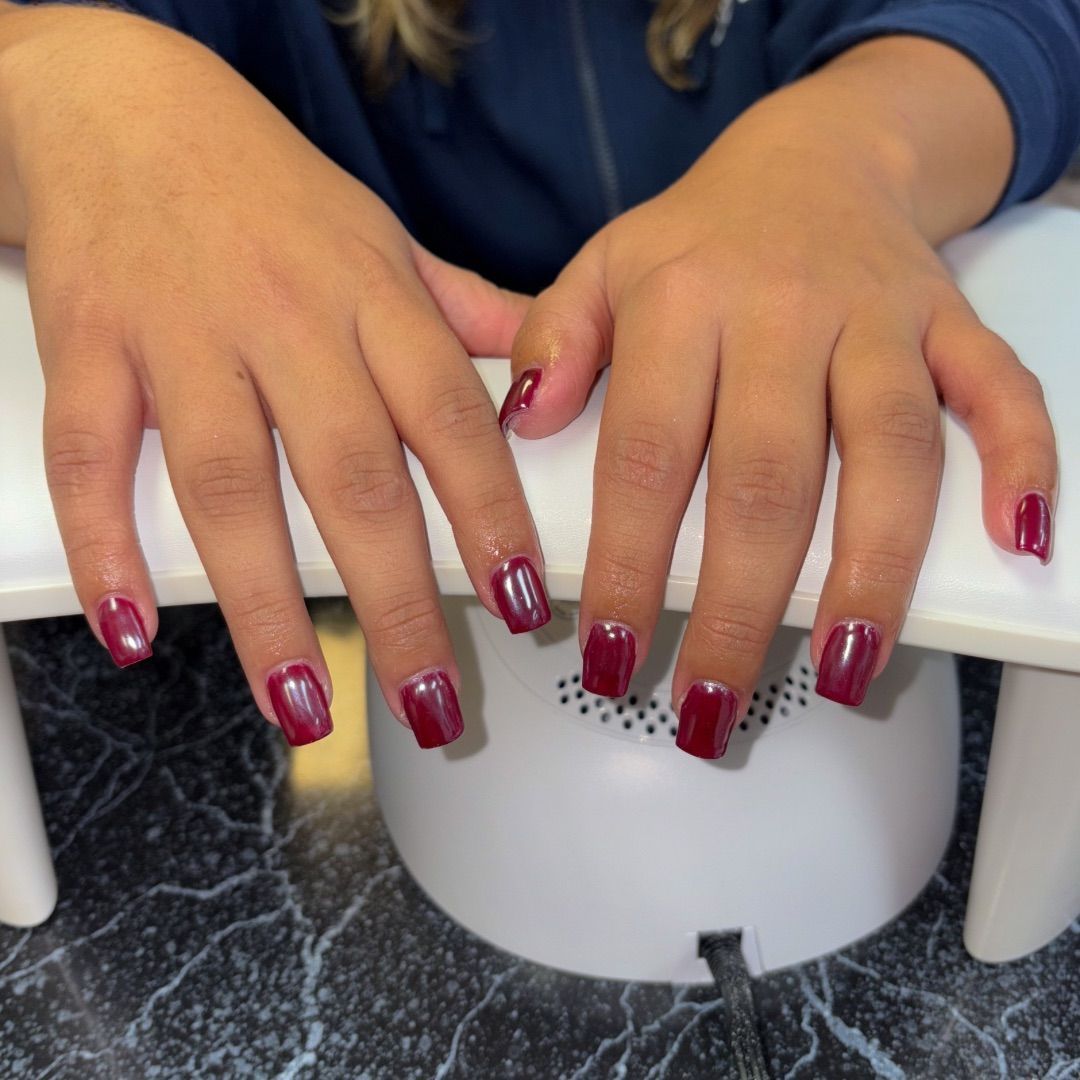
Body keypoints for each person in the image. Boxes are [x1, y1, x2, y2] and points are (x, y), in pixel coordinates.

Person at [0, 0, 1075, 757]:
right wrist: (69, 80)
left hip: (853, 561)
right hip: (340, 589)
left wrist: (852, 151)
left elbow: (1021, 23)